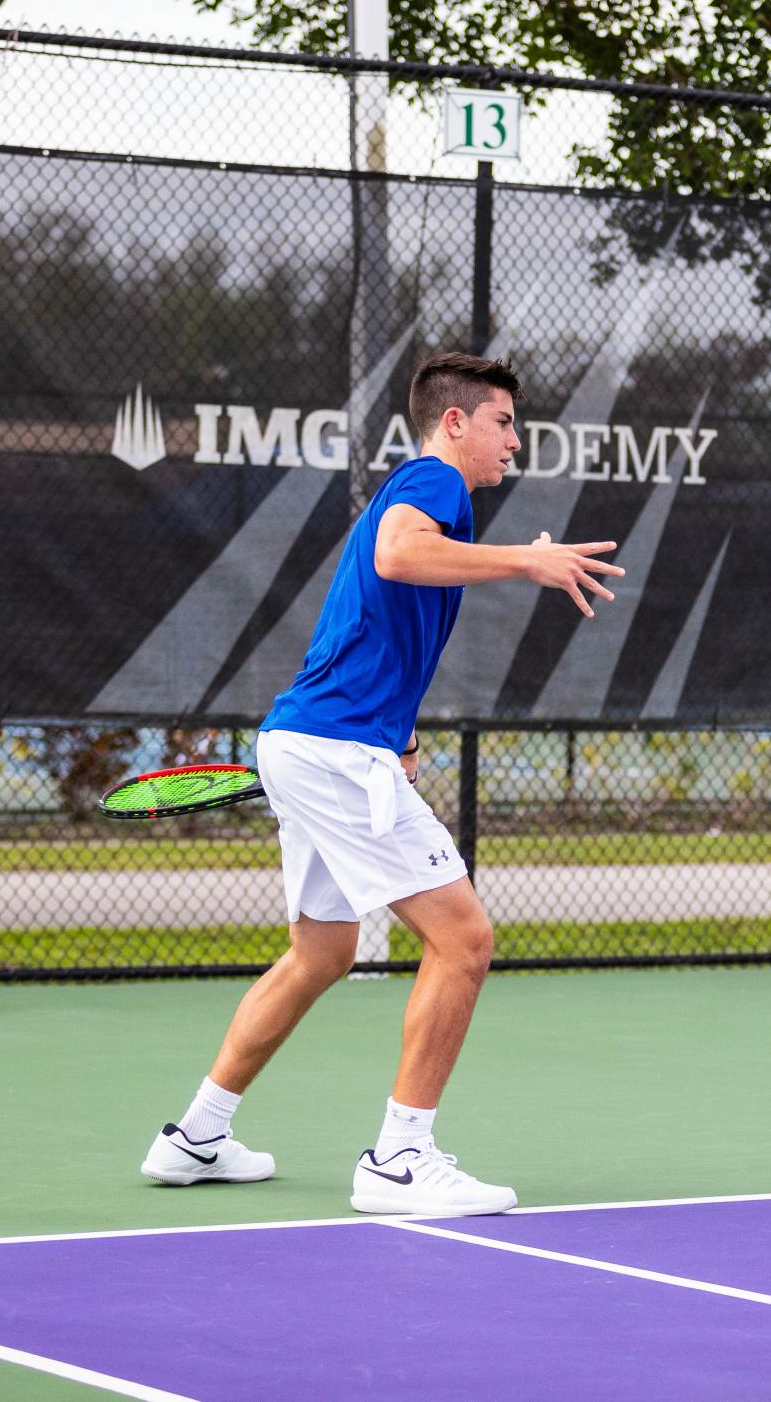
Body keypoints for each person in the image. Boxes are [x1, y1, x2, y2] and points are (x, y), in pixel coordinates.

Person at [139, 352, 624, 1215]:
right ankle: (400, 1159)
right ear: (454, 422)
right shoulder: (436, 484)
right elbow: (401, 556)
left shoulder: (435, 499)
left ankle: (195, 1136)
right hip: (333, 751)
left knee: (320, 953)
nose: (516, 438)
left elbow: (377, 617)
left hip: (310, 741)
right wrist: (527, 563)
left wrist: (394, 740)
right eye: (504, 422)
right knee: (464, 940)